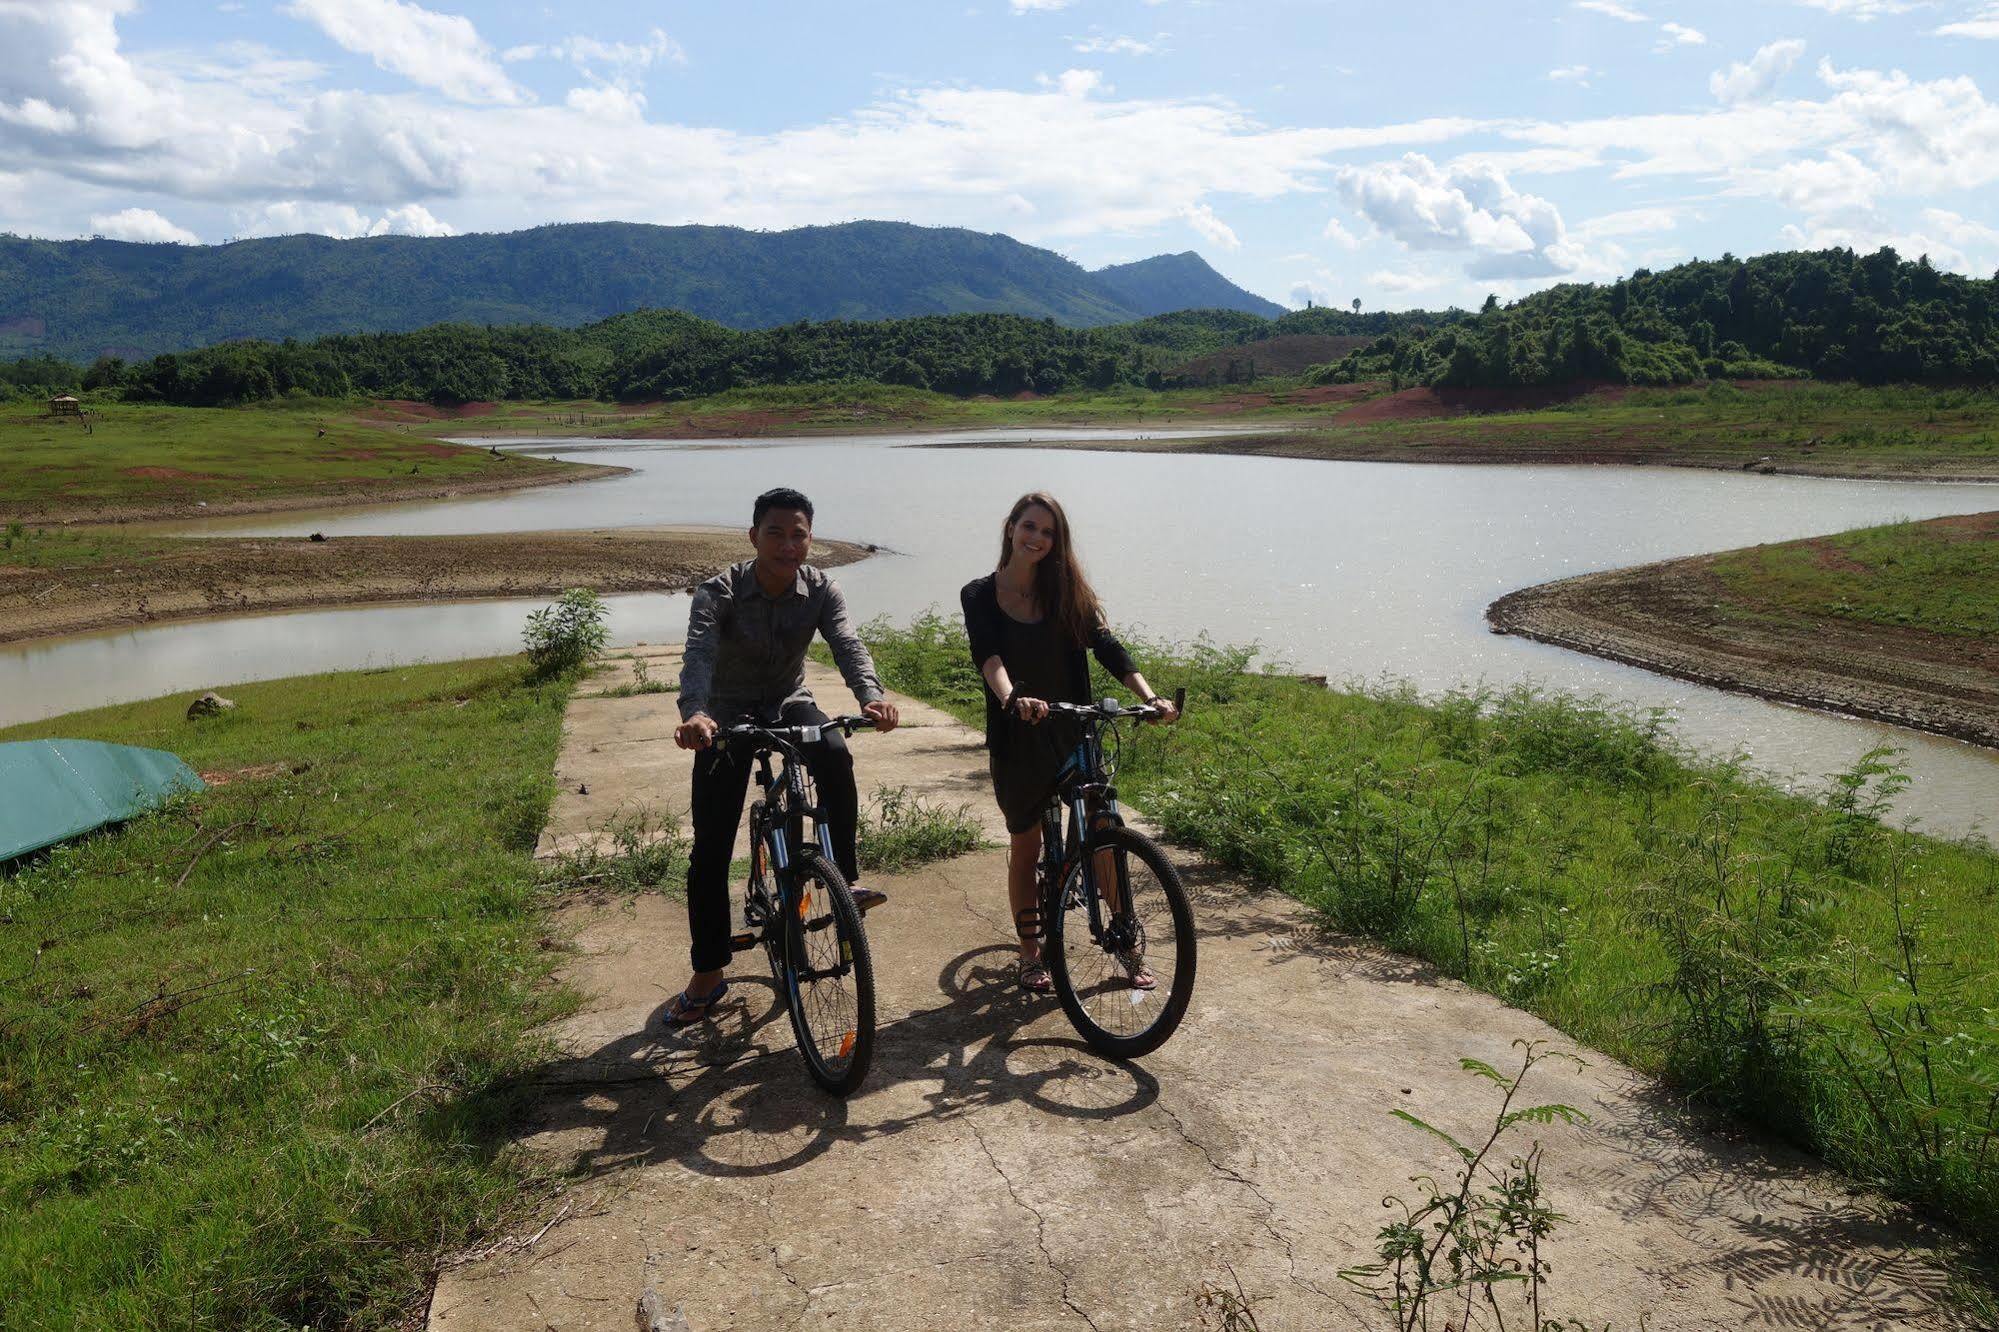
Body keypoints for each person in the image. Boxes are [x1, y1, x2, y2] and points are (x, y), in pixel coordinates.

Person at [667, 487, 900, 1026]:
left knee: (835, 750)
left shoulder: (822, 589)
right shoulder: (719, 591)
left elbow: (847, 644)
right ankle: (708, 973)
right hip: (725, 713)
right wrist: (696, 713)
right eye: (776, 533)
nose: (788, 545)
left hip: (790, 702)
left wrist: (871, 696)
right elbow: (697, 655)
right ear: (754, 537)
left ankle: (844, 879)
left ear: (810, 539)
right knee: (711, 847)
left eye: (799, 535)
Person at [960, 492, 1178, 994]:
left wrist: (1150, 697)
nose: (1037, 538)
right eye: (1030, 526)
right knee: (1027, 841)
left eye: (1048, 532)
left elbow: (1108, 648)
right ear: (1011, 527)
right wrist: (1013, 698)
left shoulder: (1067, 592)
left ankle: (1124, 940)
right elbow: (988, 656)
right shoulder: (979, 594)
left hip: (1073, 729)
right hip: (1019, 734)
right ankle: (1030, 952)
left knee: (1102, 830)